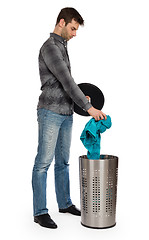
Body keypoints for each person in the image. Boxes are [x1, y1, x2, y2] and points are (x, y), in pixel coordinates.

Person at [32, 7, 107, 229]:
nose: (75, 33)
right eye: (73, 28)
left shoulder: (62, 47)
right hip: (50, 112)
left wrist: (79, 98)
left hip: (66, 112)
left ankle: (64, 203)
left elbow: (65, 83)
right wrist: (89, 107)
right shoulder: (50, 47)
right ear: (62, 23)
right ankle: (40, 212)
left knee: (63, 162)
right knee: (43, 163)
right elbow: (66, 80)